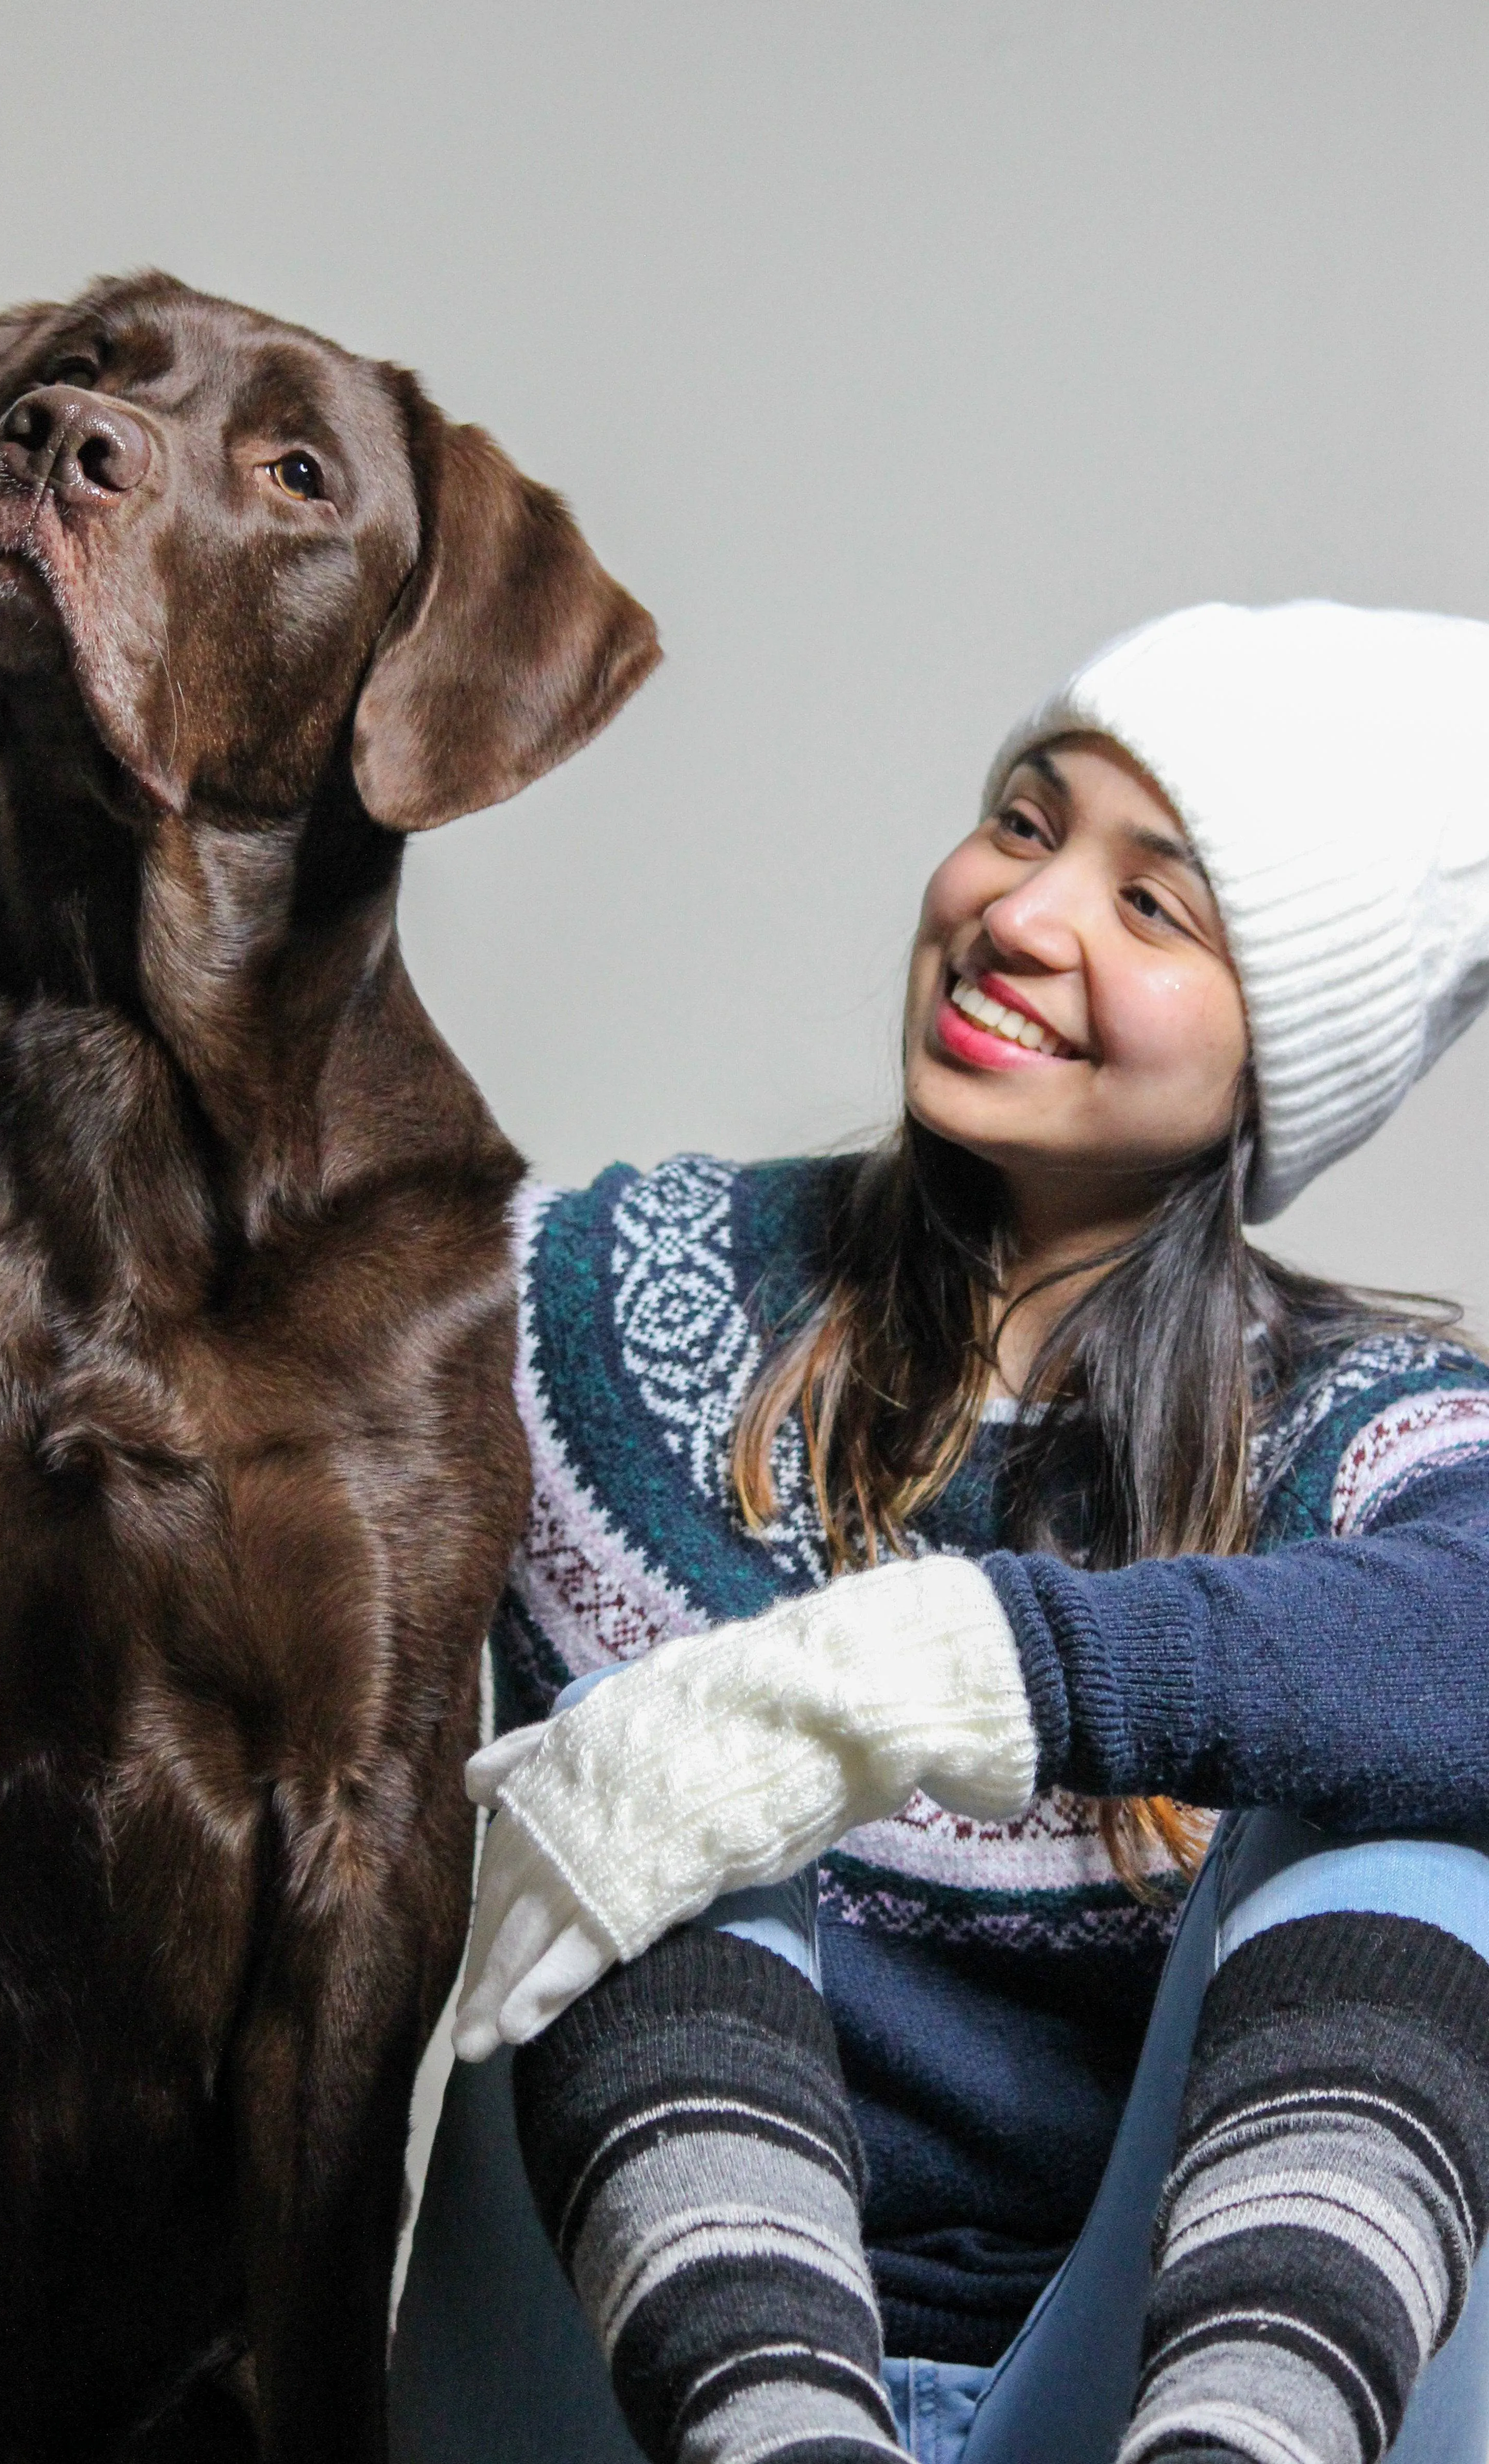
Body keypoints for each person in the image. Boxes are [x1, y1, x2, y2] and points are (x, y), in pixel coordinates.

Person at [388, 602, 1489, 2464]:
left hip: (1134, 2391)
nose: (1026, 912)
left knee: (1414, 1802)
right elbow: (165, 1385)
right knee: (657, 1772)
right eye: (1021, 817)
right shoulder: (590, 1294)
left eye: (1156, 908)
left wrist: (956, 1664)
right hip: (621, 2394)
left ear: (1279, 1056)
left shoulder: (1356, 1419)